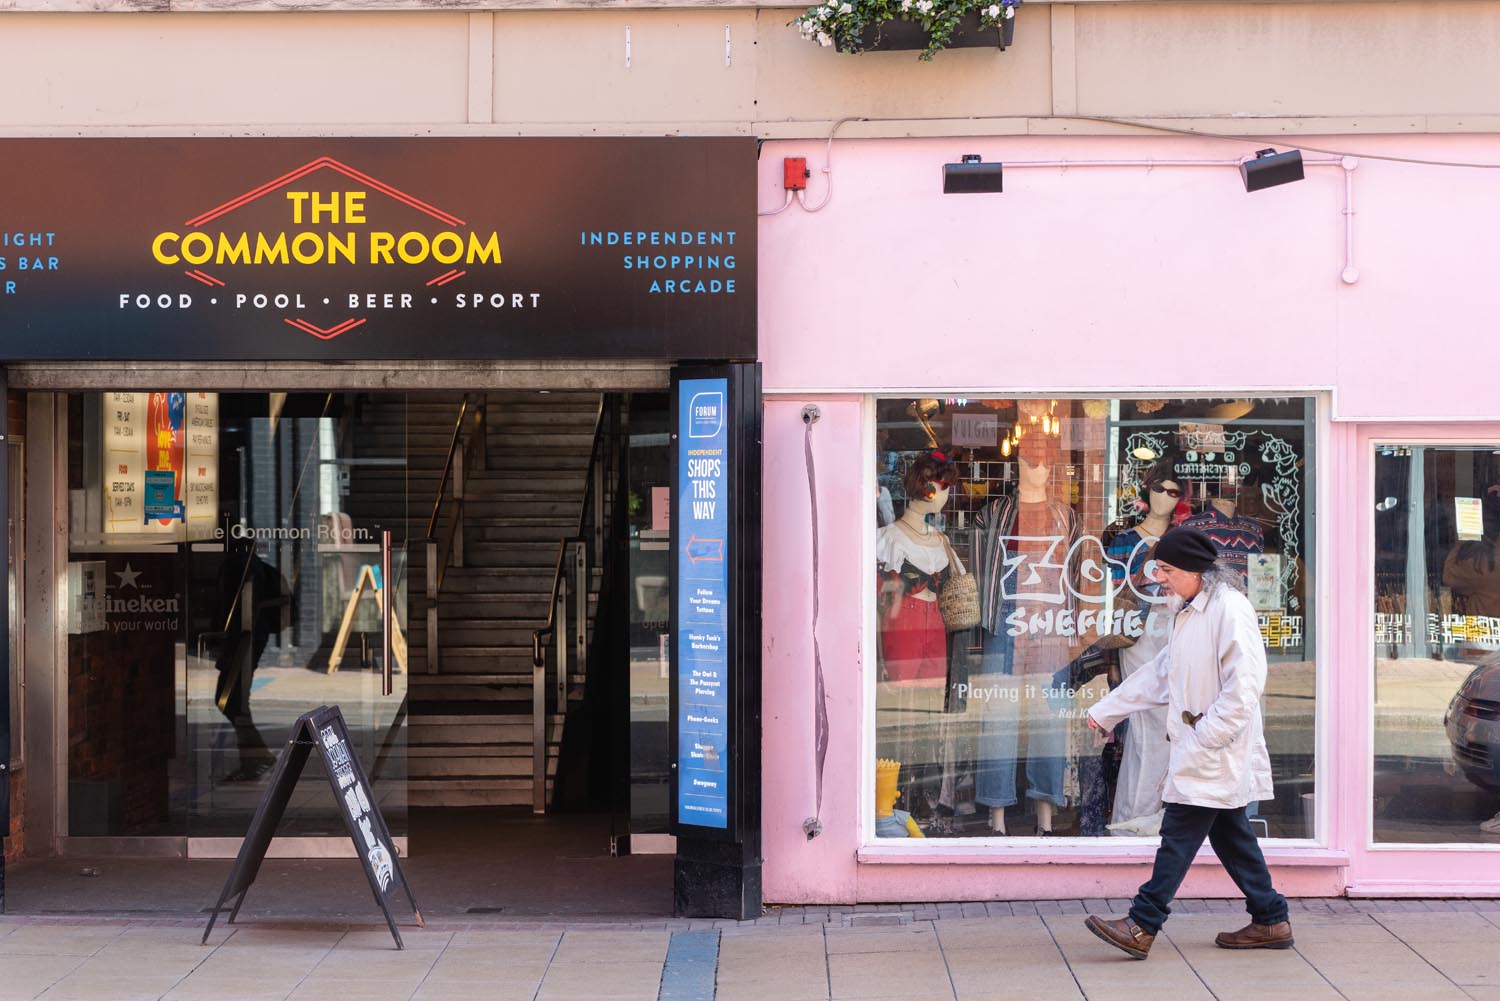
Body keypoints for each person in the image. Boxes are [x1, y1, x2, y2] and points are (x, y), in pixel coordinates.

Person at [1081, 527, 1291, 959]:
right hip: (1204, 748)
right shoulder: (1189, 608)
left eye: (1168, 570)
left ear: (1196, 571)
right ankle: (1270, 918)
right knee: (1232, 836)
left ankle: (1142, 923)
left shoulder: (1230, 609)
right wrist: (1108, 710)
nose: (1161, 578)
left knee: (1177, 834)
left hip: (1213, 748)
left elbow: (1245, 687)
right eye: (1160, 569)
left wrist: (1205, 737)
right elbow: (1163, 672)